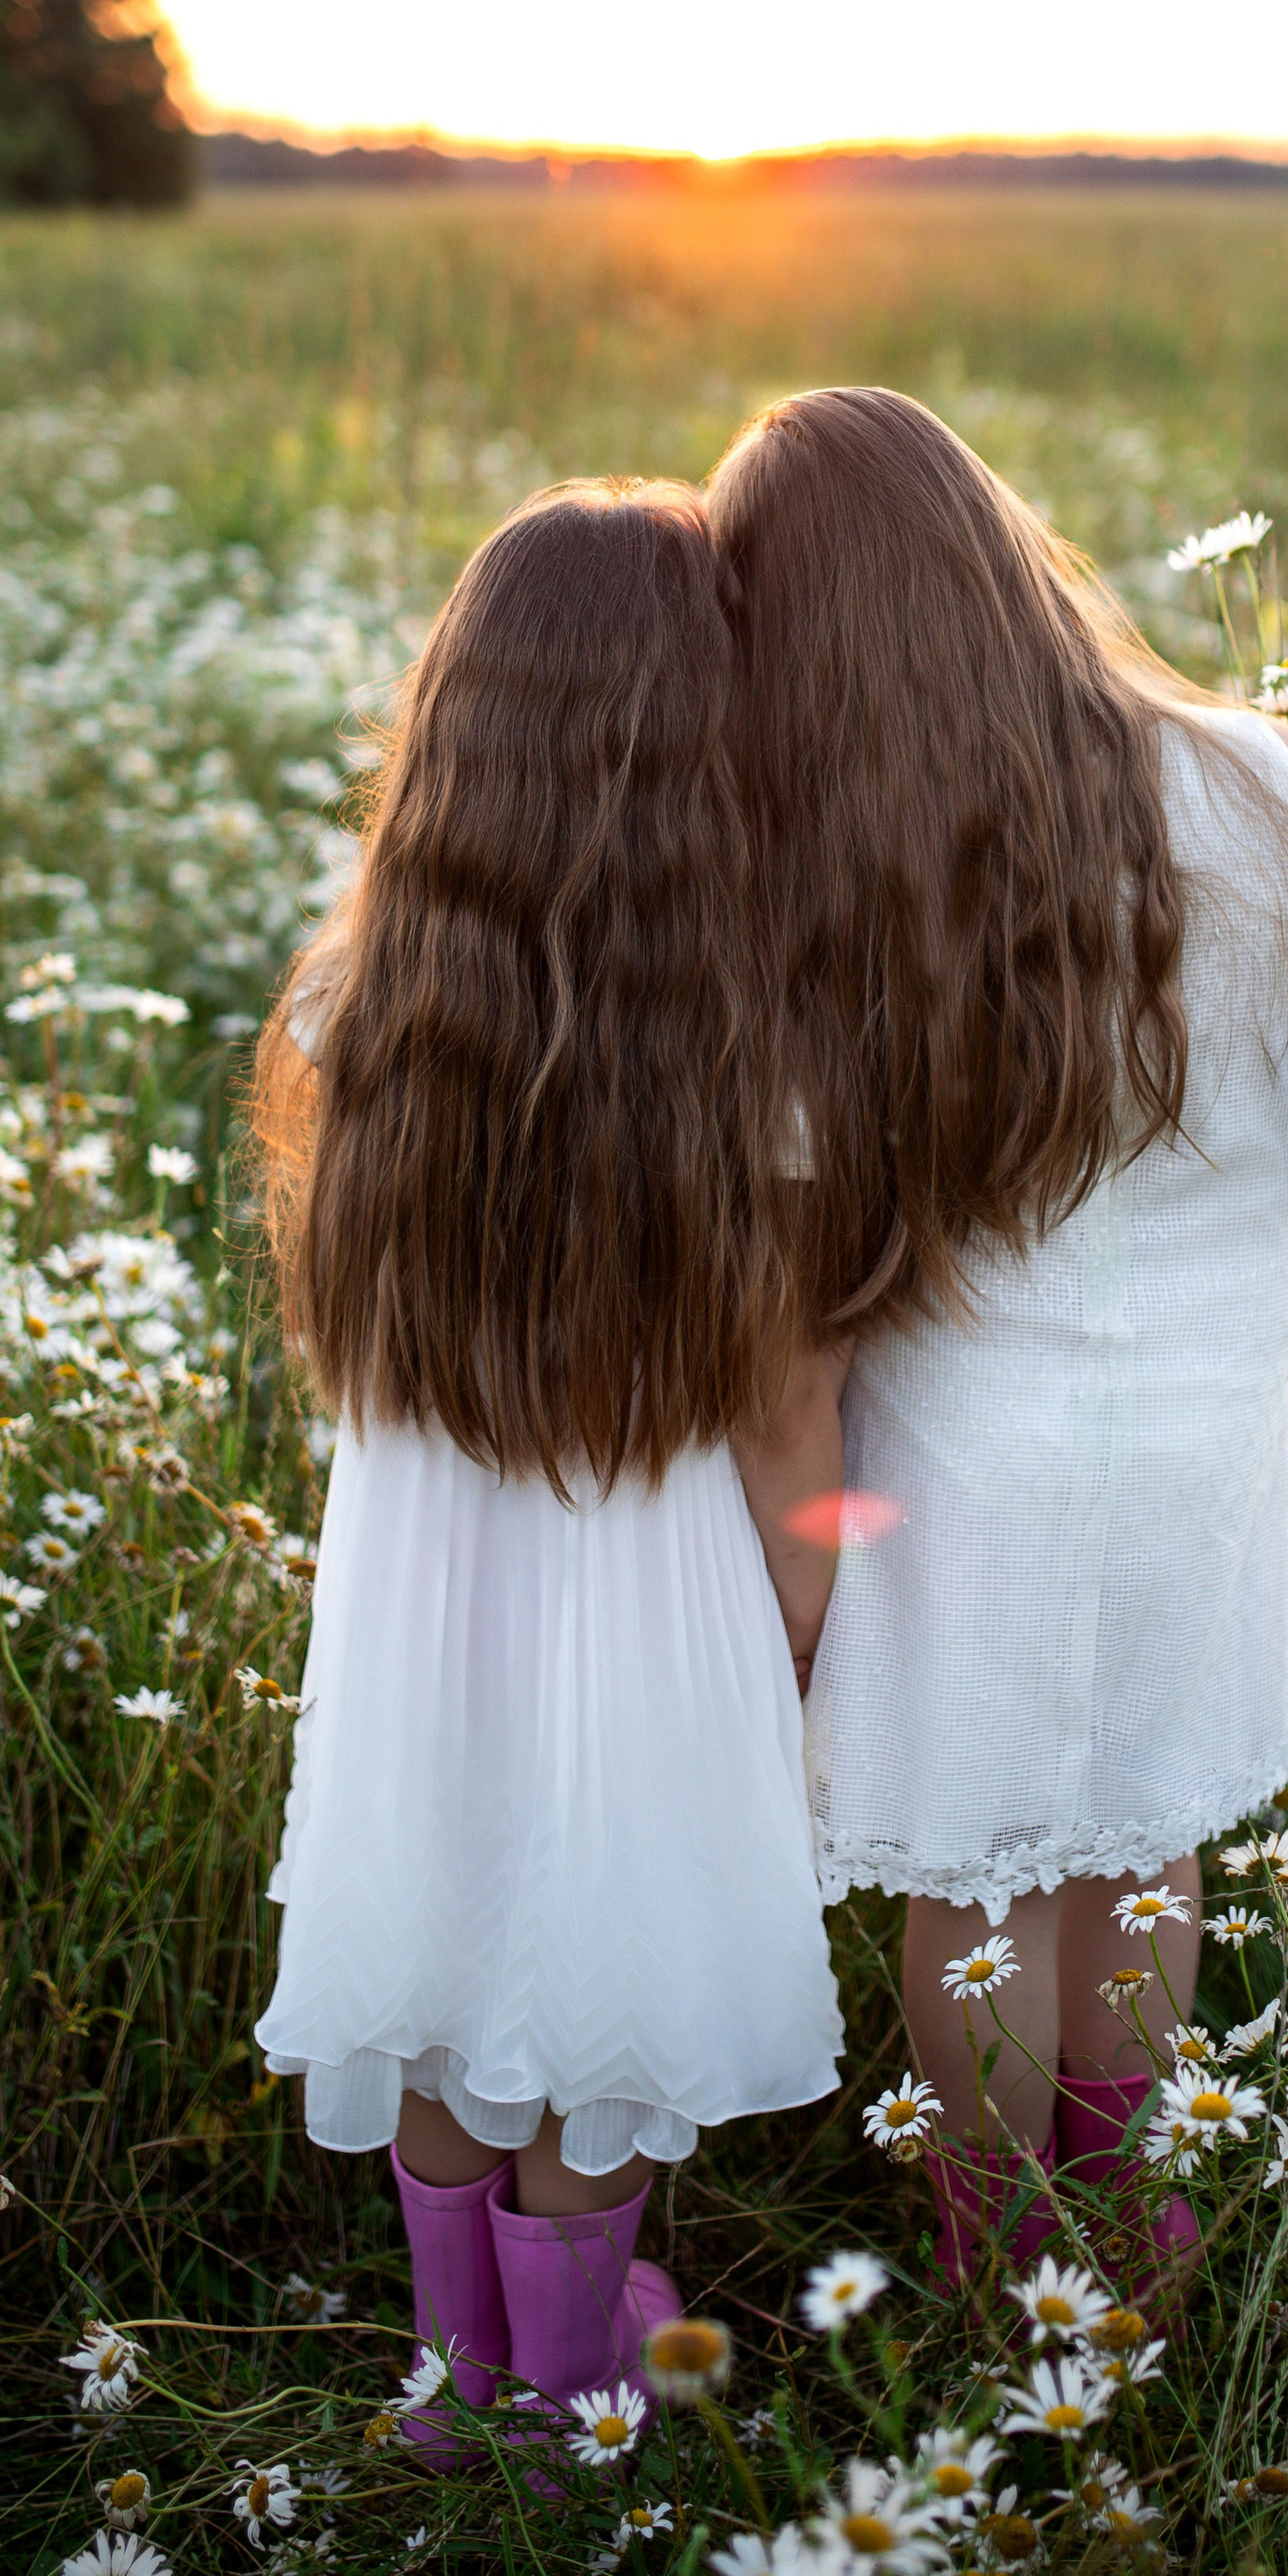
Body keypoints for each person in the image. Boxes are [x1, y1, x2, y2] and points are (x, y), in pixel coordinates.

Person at [706, 387, 1288, 2281]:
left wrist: (786, 1589)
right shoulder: (1274, 780)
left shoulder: (821, 859)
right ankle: (1132, 2224)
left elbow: (803, 1246)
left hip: (954, 1449)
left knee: (971, 1877)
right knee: (1140, 1840)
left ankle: (998, 2262)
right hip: (1202, 1431)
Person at [250, 481, 845, 2449]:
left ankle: (458, 2370)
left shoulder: (360, 998)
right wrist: (812, 1616)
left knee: (435, 1941)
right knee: (600, 1961)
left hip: (428, 1573)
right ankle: (573, 2372)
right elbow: (785, 1406)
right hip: (644, 1572)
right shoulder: (745, 1033)